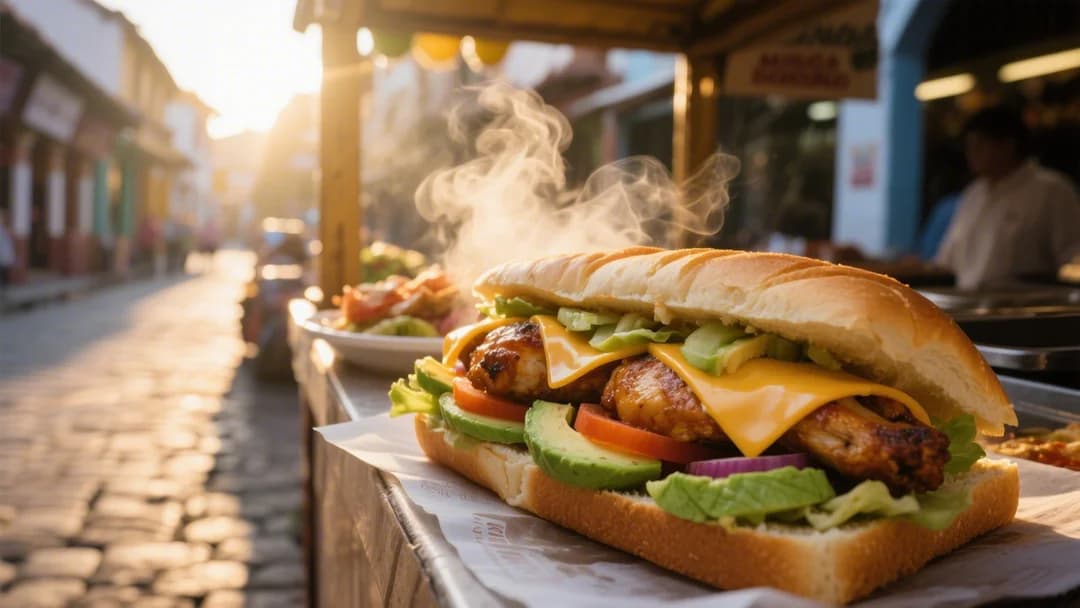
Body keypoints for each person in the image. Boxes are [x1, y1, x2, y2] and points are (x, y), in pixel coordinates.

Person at [936, 106, 1080, 289]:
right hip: (969, 301)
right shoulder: (973, 194)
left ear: (1007, 146)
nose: (971, 153)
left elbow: (1073, 259)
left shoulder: (1052, 190)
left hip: (1027, 309)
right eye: (969, 146)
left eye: (979, 145)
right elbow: (947, 262)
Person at [0, 209, 15, 297]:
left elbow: (7, 246)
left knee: (4, 278)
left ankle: (4, 294)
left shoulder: (4, 230)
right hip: (3, 259)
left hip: (4, 259)